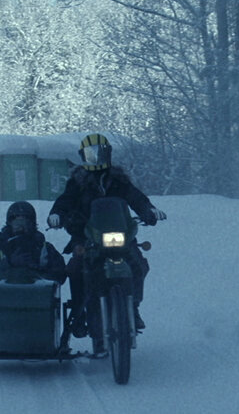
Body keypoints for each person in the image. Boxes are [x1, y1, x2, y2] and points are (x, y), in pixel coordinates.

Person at [46, 133, 165, 333]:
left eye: (100, 153)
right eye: (91, 154)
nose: (96, 158)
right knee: (75, 269)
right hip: (86, 236)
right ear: (83, 156)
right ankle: (79, 312)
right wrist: (57, 214)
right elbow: (65, 201)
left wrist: (149, 211)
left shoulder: (118, 180)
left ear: (107, 154)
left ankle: (132, 307)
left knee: (139, 265)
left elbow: (135, 198)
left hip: (120, 236)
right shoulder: (77, 182)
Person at [0, 200, 66, 283]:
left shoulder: (44, 248)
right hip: (3, 297)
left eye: (25, 224)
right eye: (17, 224)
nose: (21, 228)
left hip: (38, 297)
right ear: (9, 224)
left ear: (32, 224)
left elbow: (60, 275)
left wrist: (34, 270)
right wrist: (9, 263)